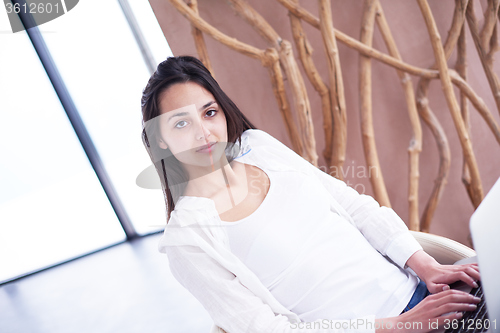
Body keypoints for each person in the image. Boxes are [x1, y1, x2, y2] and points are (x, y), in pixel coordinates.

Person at [140, 56, 481, 333]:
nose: (204, 133)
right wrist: (396, 326)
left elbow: (354, 207)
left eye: (209, 112)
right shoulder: (187, 240)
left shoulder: (257, 148)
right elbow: (266, 330)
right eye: (180, 124)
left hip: (428, 297)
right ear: (160, 140)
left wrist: (426, 265)